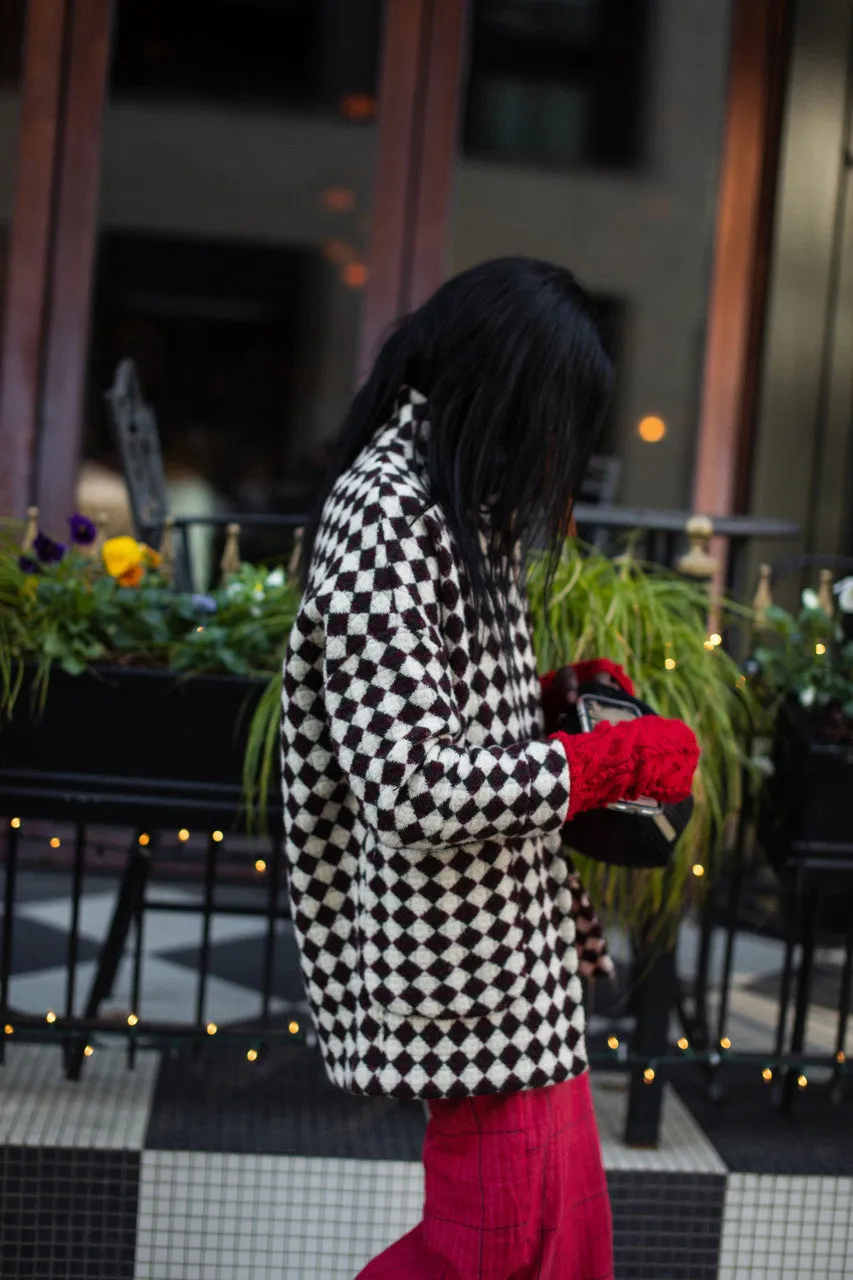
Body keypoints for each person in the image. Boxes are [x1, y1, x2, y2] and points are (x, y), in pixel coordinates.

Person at [280, 257, 700, 1279]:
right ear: (505, 389)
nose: (559, 450)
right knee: (496, 1245)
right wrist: (600, 761)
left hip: (506, 957)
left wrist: (547, 700)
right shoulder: (388, 517)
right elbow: (416, 787)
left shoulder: (447, 495)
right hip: (463, 968)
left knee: (566, 1239)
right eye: (556, 417)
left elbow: (435, 718)